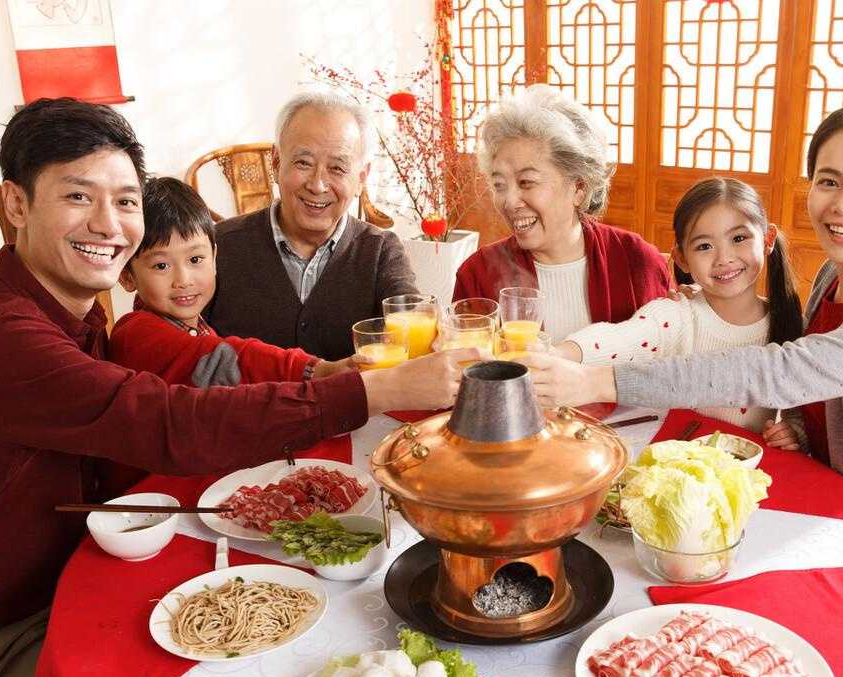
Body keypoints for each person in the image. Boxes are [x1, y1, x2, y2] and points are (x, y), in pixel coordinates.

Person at [0, 98, 471, 677]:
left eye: (126, 201)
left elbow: (215, 356)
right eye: (79, 197)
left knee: (294, 635)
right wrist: (366, 389)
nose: (108, 223)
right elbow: (170, 422)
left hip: (52, 589)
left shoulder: (67, 312)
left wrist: (322, 374)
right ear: (16, 205)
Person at [524, 95, 843, 677]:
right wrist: (809, 431)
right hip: (838, 523)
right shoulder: (839, 273)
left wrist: (605, 382)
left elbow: (782, 370)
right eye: (829, 180)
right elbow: (835, 389)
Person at [105, 176, 361, 494]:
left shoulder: (197, 326)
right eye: (160, 266)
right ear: (127, 275)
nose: (183, 279)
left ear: (214, 257)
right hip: (146, 495)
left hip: (190, 475)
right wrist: (316, 369)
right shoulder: (136, 331)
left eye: (195, 259)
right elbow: (231, 353)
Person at [556, 177, 805, 448]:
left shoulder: (792, 323)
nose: (724, 257)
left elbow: (800, 403)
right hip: (675, 468)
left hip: (744, 474)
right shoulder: (674, 316)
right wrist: (560, 354)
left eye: (739, 238)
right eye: (704, 246)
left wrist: (794, 430)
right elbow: (620, 338)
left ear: (767, 239)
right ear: (682, 257)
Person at [203, 91, 417, 359]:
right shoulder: (217, 246)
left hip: (348, 403)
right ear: (276, 161)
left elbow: (412, 323)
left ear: (362, 178)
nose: (317, 185)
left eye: (337, 169)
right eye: (303, 163)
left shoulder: (380, 251)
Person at [452, 85, 669, 343]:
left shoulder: (638, 262)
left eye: (526, 182)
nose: (510, 202)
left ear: (578, 188)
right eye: (499, 185)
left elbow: (665, 367)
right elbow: (466, 374)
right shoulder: (477, 275)